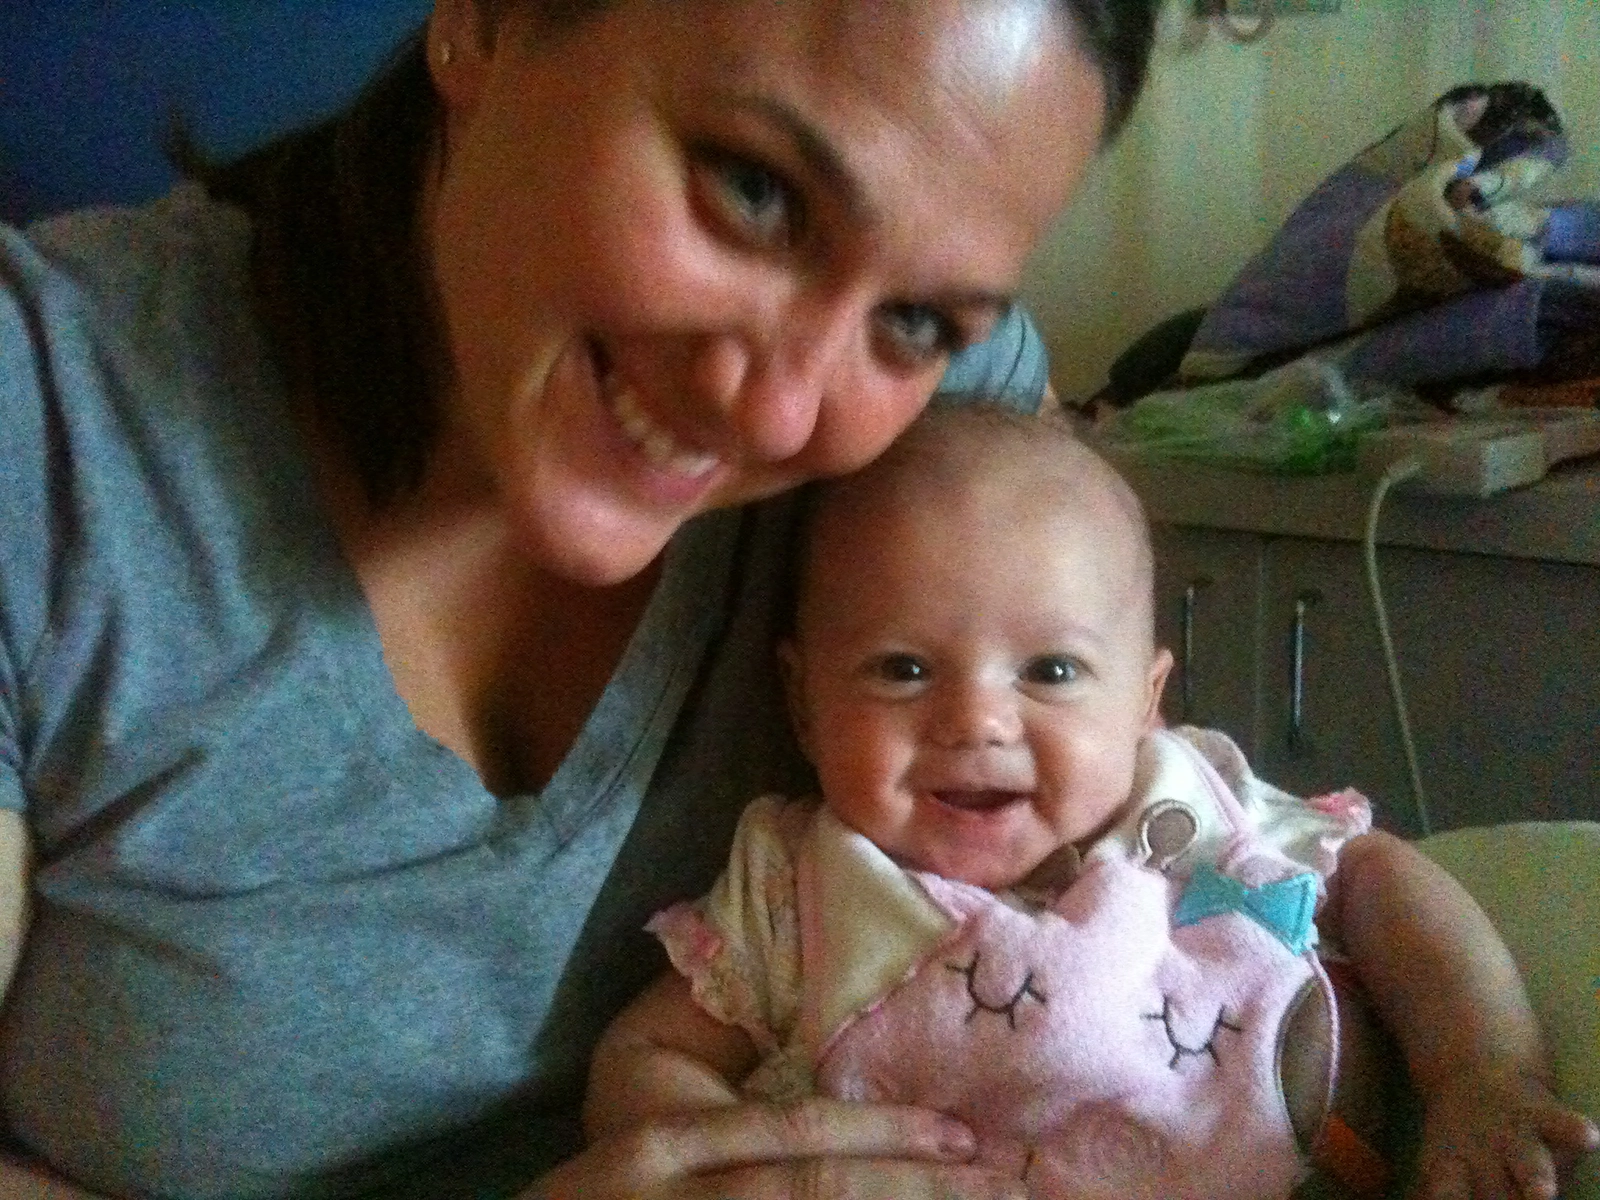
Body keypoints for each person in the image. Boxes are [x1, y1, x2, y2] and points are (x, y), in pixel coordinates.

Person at [0, 1, 1164, 1197]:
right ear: (485, 23)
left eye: (914, 321)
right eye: (754, 192)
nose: (782, 413)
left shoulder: (944, 441)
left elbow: (1141, 862)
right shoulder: (40, 421)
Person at [583, 404, 1600, 1200]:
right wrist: (726, 1163)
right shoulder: (797, 885)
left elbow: (1379, 878)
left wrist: (1481, 1075)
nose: (976, 720)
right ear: (803, 705)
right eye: (902, 668)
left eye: (1053, 670)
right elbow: (648, 1050)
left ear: (1145, 705)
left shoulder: (1190, 811)